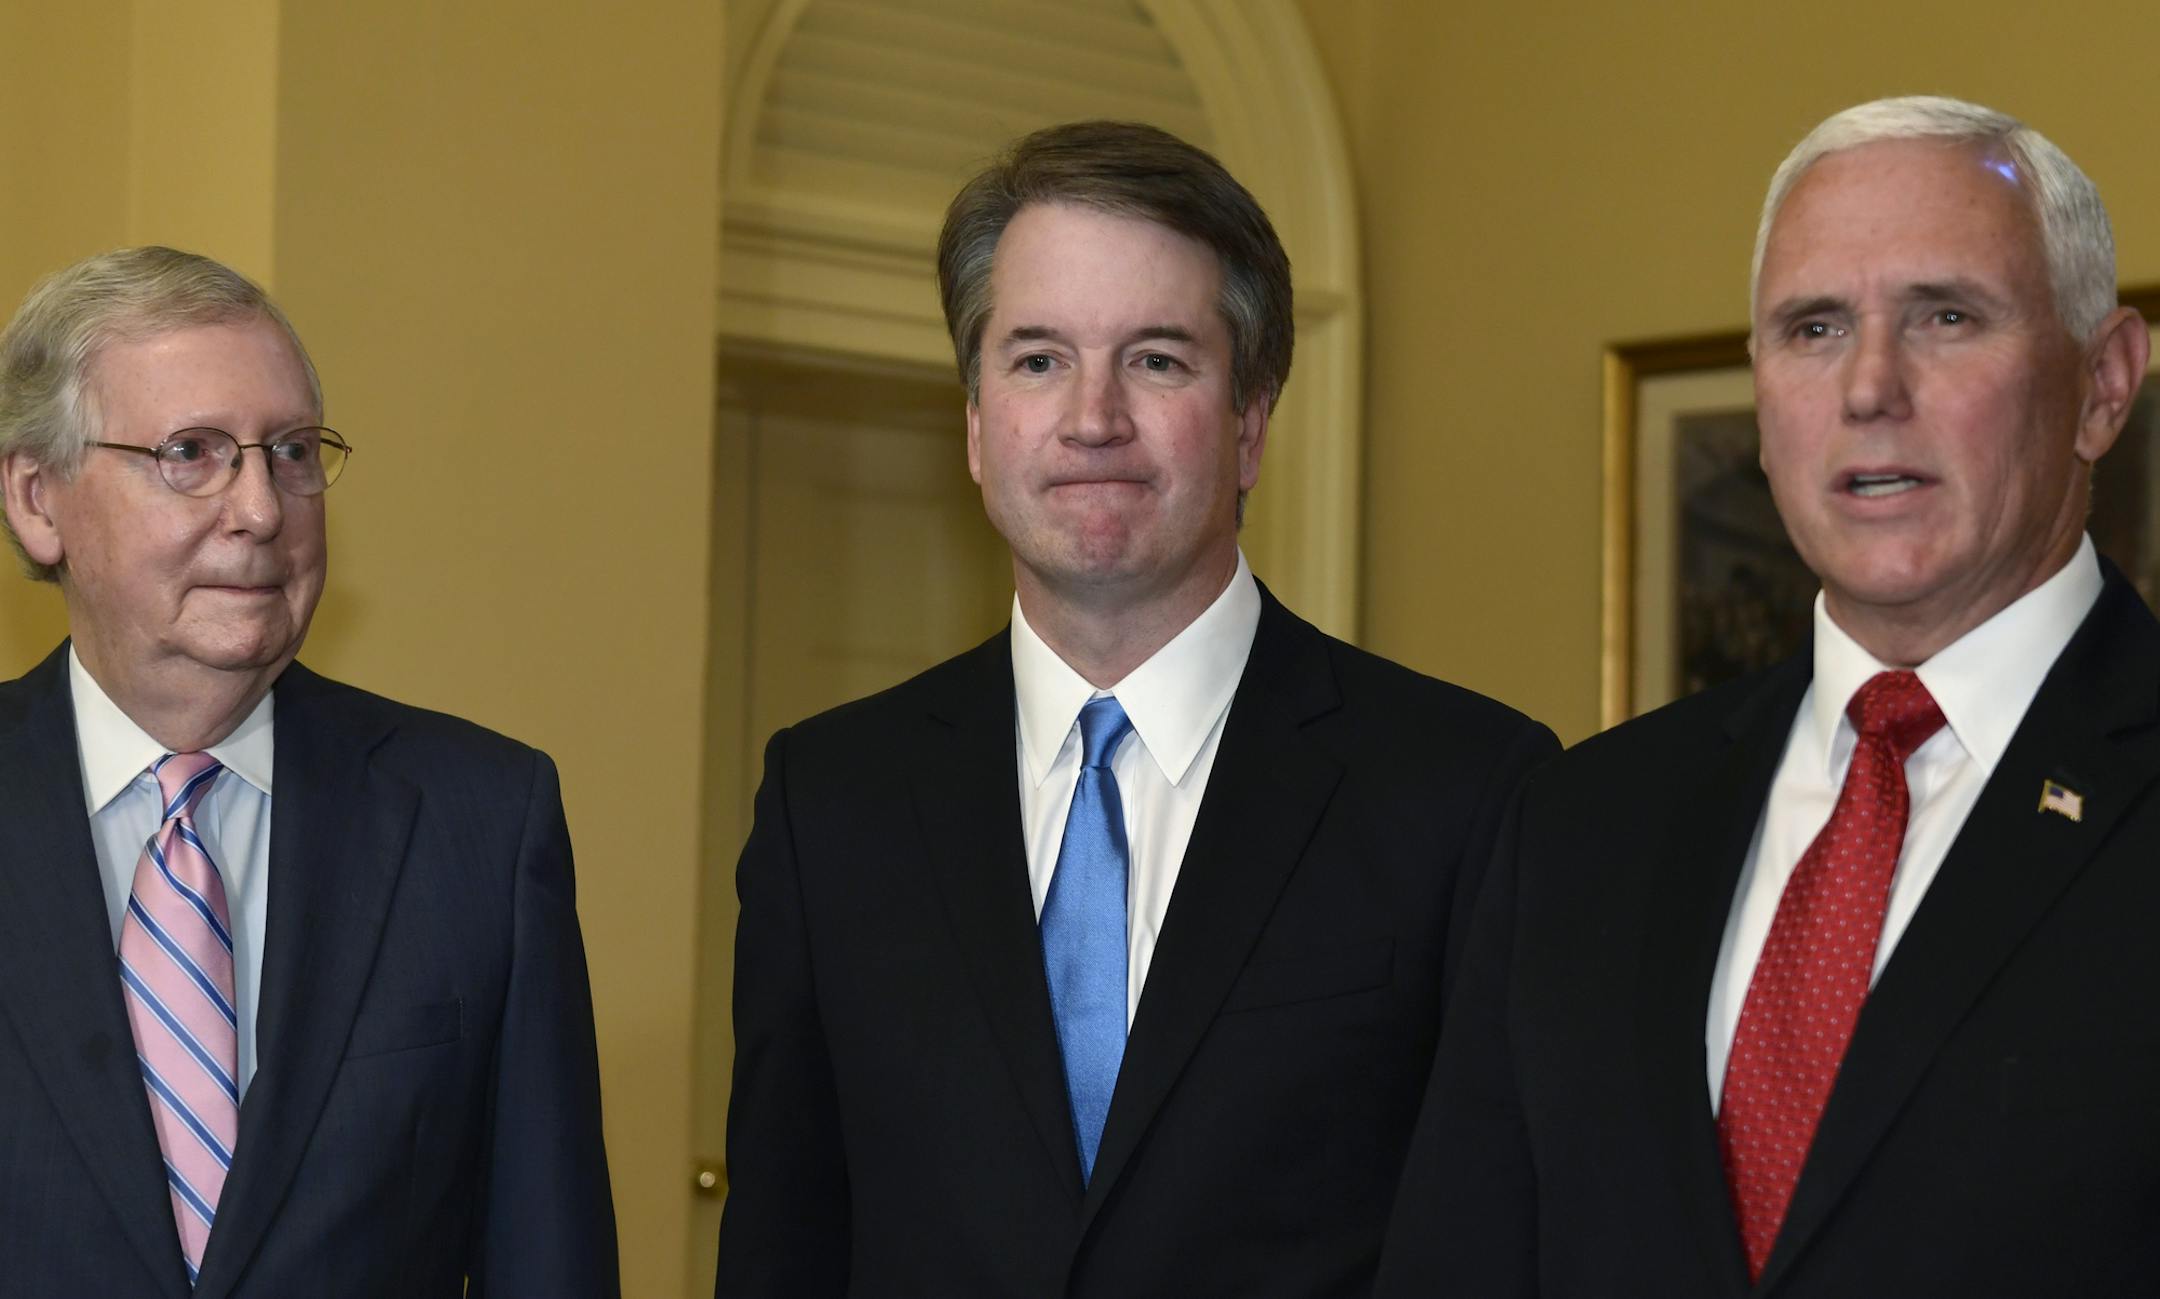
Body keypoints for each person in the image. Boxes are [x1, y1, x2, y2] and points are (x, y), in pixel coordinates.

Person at [713, 120, 1557, 1297]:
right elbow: (785, 1244)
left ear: (1252, 422)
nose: (1093, 417)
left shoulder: (1469, 792)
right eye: (1037, 358)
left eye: (1157, 360)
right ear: (972, 422)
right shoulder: (831, 800)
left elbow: (1490, 1249)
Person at [1375, 95, 2157, 1298]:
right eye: (1814, 328)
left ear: (2104, 385)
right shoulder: (1581, 823)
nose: (1870, 388)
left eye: (1947, 317)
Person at [0, 247, 617, 1298]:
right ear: (36, 501)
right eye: (191, 453)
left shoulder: (477, 821)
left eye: (289, 452)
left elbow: (546, 1258)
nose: (261, 509)